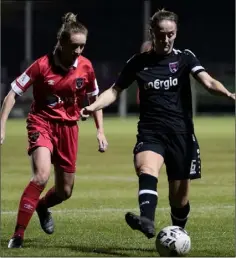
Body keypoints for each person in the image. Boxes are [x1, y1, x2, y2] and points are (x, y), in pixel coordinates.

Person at [80, 9, 235, 239]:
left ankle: (178, 235)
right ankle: (147, 221)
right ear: (152, 33)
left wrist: (230, 95)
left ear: (176, 33)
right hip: (151, 132)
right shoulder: (138, 62)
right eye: (161, 34)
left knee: (179, 201)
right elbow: (115, 90)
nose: (166, 39)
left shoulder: (185, 58)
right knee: (146, 168)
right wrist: (94, 106)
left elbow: (207, 81)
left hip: (182, 135)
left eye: (170, 34)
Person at [1, 12, 108, 248]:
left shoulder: (86, 67)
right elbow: (12, 94)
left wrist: (100, 130)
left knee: (65, 191)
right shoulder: (41, 66)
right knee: (41, 175)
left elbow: (94, 98)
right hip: (42, 122)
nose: (79, 52)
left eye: (82, 46)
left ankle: (42, 206)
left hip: (69, 129)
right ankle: (18, 235)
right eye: (75, 46)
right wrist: (2, 126)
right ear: (62, 43)